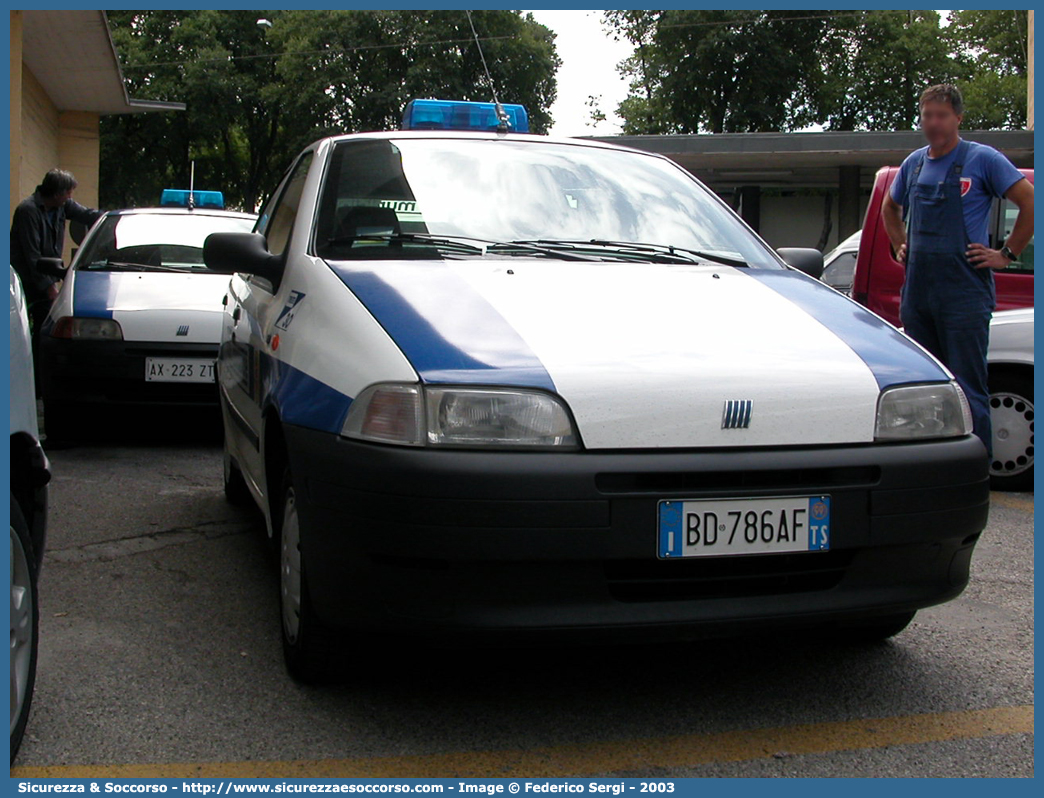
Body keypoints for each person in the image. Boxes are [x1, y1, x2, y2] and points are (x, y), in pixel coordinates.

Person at [881, 84, 1034, 458]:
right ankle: (930, 465)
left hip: (964, 294)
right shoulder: (915, 163)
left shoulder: (983, 160)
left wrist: (1007, 254)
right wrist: (901, 243)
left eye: (942, 115)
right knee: (924, 387)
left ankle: (974, 469)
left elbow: (1029, 201)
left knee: (967, 386)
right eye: (927, 115)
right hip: (918, 294)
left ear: (958, 118)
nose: (933, 123)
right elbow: (890, 208)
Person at [10, 169, 104, 333]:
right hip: (26, 280)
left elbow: (87, 214)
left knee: (44, 323)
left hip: (45, 277)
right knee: (35, 326)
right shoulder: (28, 211)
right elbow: (32, 256)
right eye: (68, 193)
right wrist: (49, 287)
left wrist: (113, 217)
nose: (70, 197)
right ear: (56, 194)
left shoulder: (62, 206)